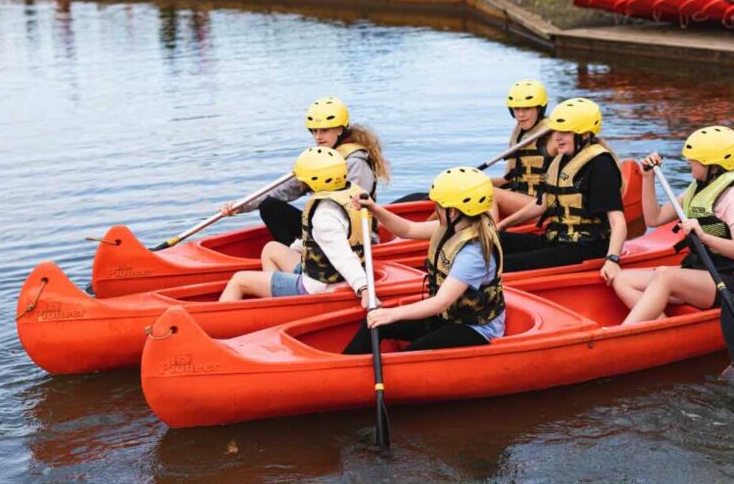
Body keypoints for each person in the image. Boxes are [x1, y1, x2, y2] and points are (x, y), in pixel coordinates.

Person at [343, 167, 505, 353]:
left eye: (438, 206)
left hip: (474, 327)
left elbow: (441, 302)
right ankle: (347, 365)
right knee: (375, 324)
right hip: (448, 315)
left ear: (452, 212)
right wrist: (374, 208)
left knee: (409, 354)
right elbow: (408, 230)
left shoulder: (473, 254)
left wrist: (391, 313)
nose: (435, 209)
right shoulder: (454, 227)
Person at [612, 126, 734, 325]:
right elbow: (654, 219)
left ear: (713, 166)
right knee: (622, 279)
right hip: (703, 273)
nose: (688, 162)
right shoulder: (699, 187)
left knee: (665, 275)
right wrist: (648, 178)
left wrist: (704, 236)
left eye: (694, 160)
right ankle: (661, 328)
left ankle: (625, 332)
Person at [220, 96, 389, 245]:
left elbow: (353, 210)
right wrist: (240, 206)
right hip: (325, 228)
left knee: (273, 208)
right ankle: (296, 257)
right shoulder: (320, 159)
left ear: (339, 129)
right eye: (314, 131)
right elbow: (282, 191)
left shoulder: (355, 162)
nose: (318, 137)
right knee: (270, 207)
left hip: (355, 238)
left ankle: (301, 260)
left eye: (324, 130)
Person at [495, 97, 626, 282]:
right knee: (489, 242)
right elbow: (541, 204)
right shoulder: (559, 160)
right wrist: (501, 226)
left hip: (587, 246)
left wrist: (612, 260)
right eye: (556, 131)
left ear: (585, 134)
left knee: (505, 263)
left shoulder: (600, 164)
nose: (557, 137)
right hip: (557, 240)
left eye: (564, 132)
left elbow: (617, 222)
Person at [219, 147, 371, 306]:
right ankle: (277, 304)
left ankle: (282, 305)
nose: (299, 183)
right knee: (271, 249)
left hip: (320, 287)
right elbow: (314, 240)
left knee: (238, 280)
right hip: (329, 276)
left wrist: (364, 289)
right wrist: (296, 251)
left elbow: (343, 257)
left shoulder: (324, 216)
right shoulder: (348, 197)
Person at [490, 79, 558, 220]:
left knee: (491, 194)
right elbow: (507, 179)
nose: (520, 115)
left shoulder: (552, 135)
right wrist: (476, 182)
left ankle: (491, 232)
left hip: (543, 205)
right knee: (470, 190)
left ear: (539, 108)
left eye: (527, 109)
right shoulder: (518, 133)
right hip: (521, 198)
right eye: (517, 109)